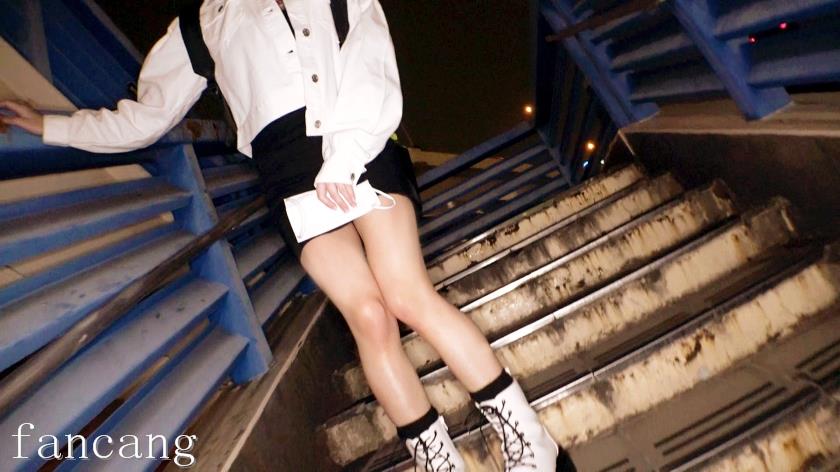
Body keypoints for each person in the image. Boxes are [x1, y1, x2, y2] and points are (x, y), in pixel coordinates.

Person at [1, 1, 573, 470]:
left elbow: (372, 54)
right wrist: (50, 125)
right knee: (368, 316)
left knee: (405, 295)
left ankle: (531, 441)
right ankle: (436, 460)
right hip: (289, 172)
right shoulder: (201, 25)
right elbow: (144, 118)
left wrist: (345, 156)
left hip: (361, 138)